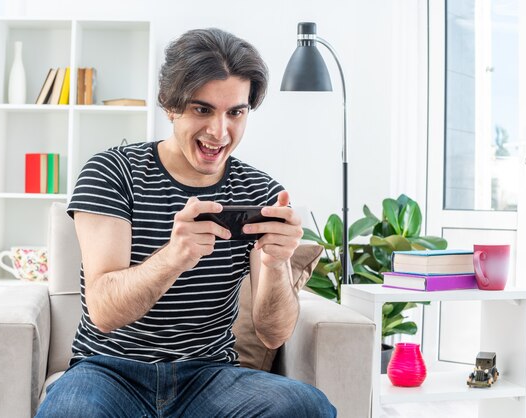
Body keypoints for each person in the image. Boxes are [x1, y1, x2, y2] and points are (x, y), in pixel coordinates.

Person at [35, 27, 336, 418]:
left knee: (307, 406)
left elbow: (273, 334)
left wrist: (276, 265)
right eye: (202, 109)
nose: (219, 131)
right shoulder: (111, 172)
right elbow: (104, 312)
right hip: (108, 372)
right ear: (169, 106)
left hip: (209, 377)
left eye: (236, 112)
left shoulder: (260, 192)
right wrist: (175, 256)